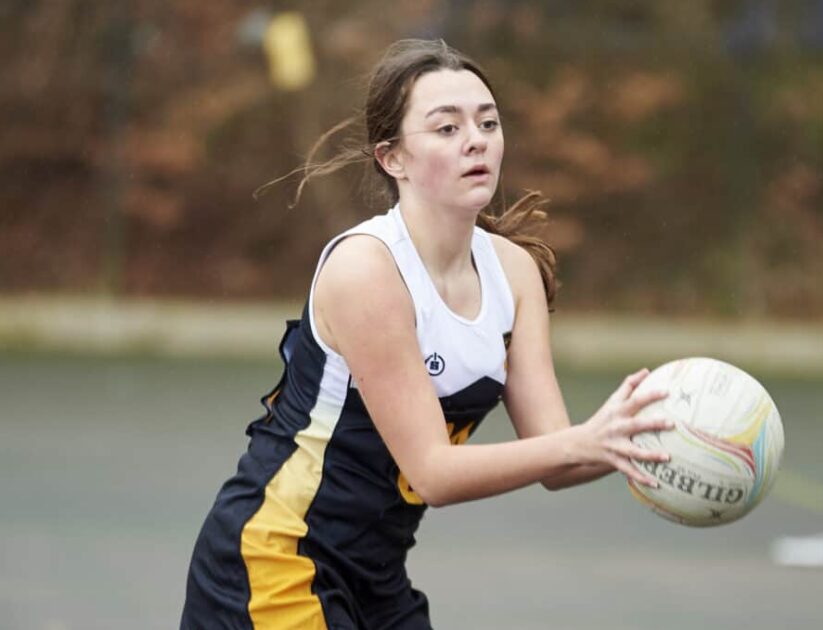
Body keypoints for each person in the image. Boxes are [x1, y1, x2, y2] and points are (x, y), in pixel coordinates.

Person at [180, 39, 674, 630]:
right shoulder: (368, 270)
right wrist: (585, 442)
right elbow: (434, 473)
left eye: (488, 122)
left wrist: (638, 436)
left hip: (375, 576)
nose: (476, 140)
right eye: (446, 128)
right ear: (393, 158)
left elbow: (557, 457)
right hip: (275, 560)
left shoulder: (514, 273)